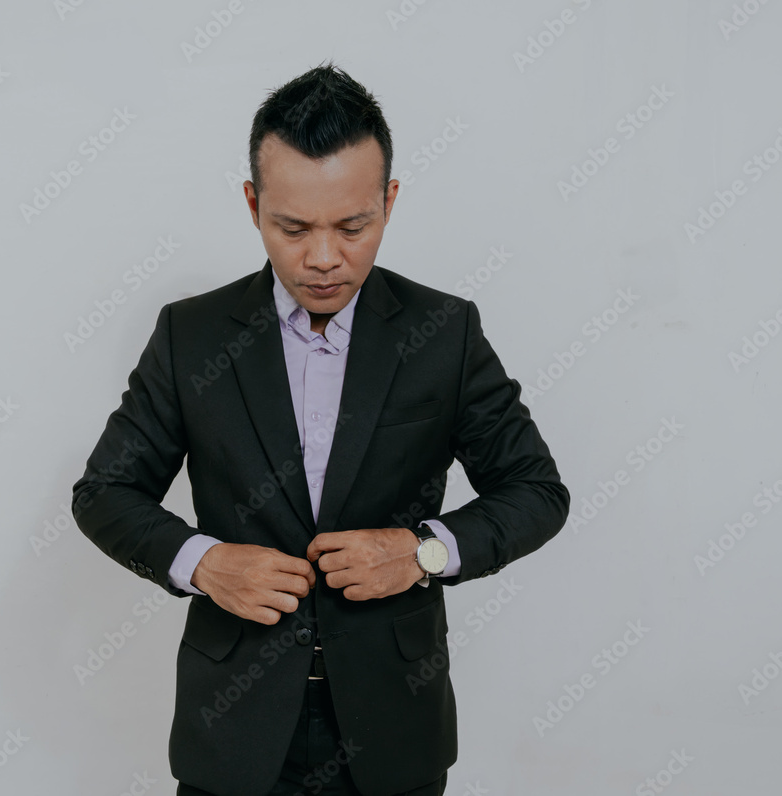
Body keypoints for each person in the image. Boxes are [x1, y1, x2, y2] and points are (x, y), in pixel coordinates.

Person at [72, 61, 569, 796]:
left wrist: (422, 552)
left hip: (394, 728)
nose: (324, 258)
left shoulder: (445, 332)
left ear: (389, 201)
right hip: (233, 732)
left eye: (353, 226)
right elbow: (105, 493)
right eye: (294, 227)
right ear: (253, 205)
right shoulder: (191, 336)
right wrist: (203, 561)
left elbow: (535, 491)